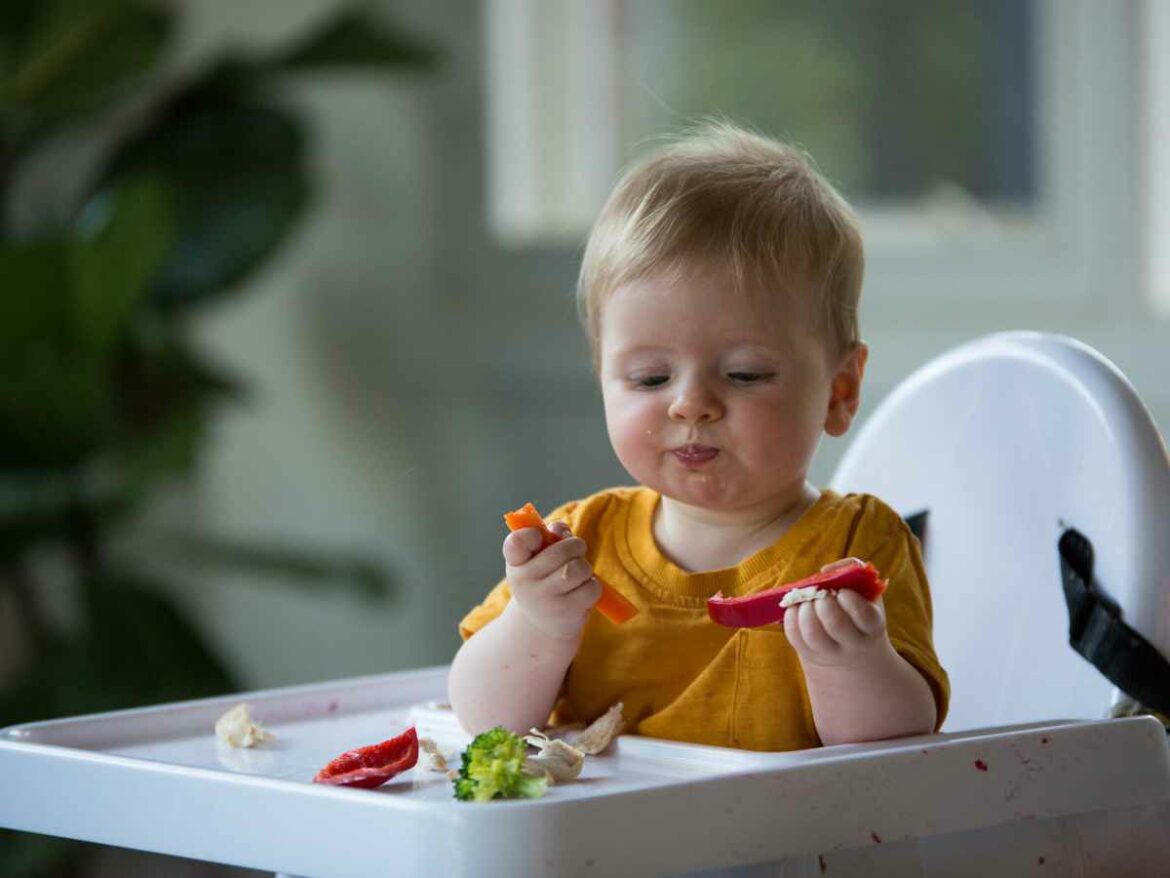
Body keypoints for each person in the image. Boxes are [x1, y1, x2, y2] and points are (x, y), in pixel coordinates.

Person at [448, 122, 948, 751]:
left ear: (839, 391)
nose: (691, 404)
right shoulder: (582, 543)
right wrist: (539, 624)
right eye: (650, 376)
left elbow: (899, 750)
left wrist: (849, 663)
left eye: (744, 374)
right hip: (608, 848)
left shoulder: (856, 547)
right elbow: (483, 720)